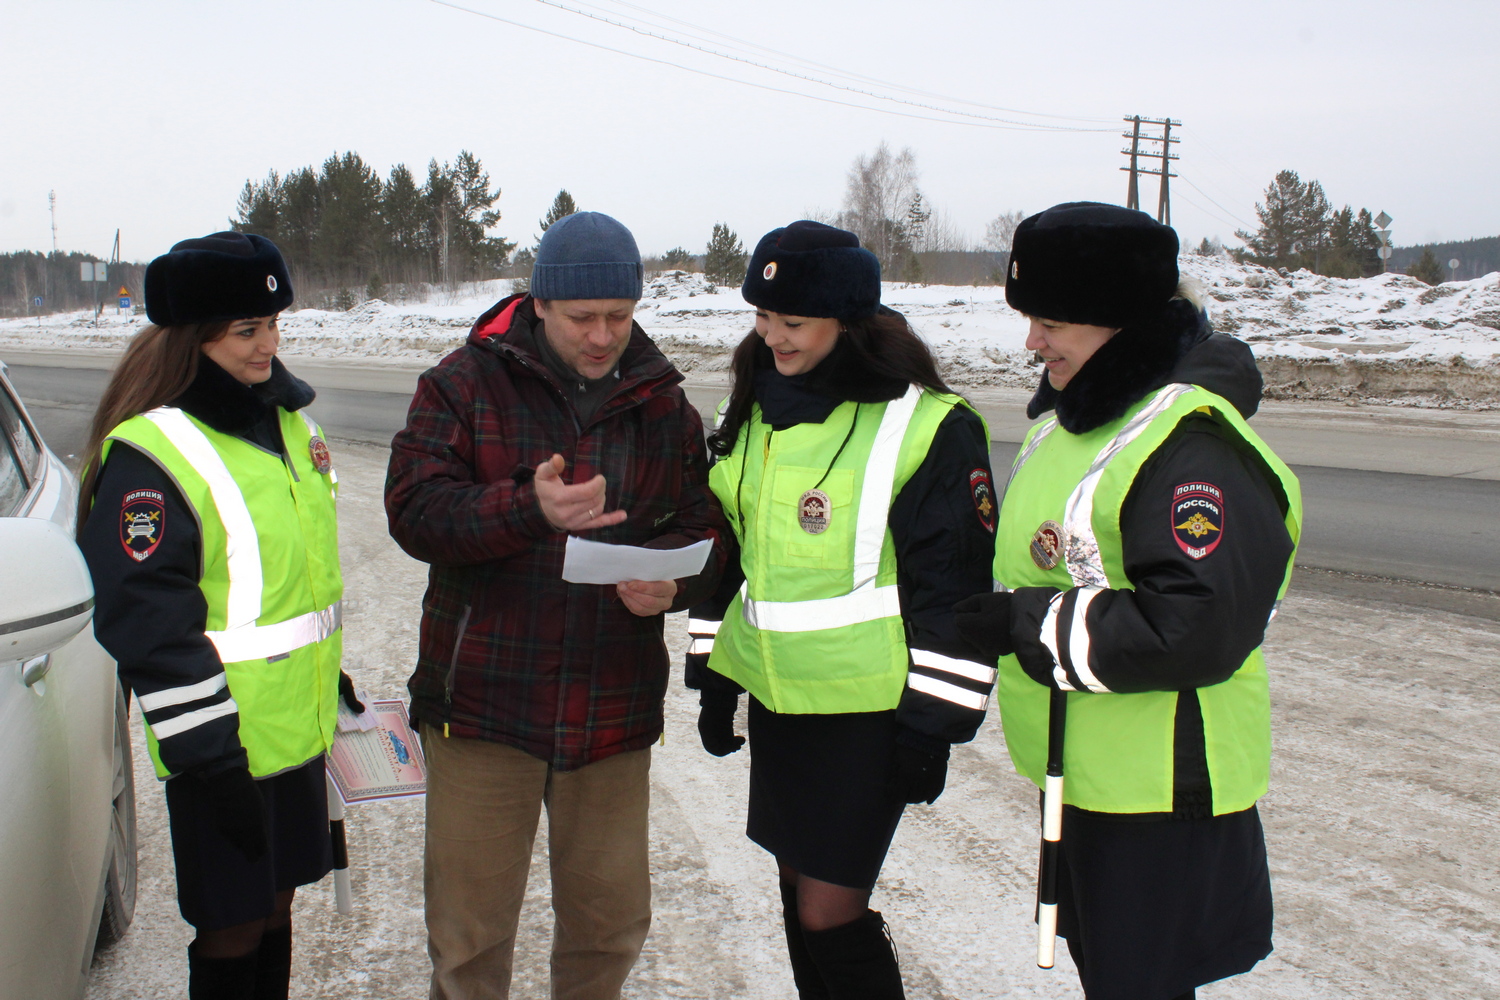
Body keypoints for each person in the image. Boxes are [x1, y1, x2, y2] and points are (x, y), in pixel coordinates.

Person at [952, 202, 1303, 1000]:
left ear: (1119, 323)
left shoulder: (1189, 442)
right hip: (1091, 778)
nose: (1032, 343)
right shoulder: (1073, 425)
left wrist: (1023, 625)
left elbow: (1194, 626)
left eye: (1050, 321)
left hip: (1162, 796)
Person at [384, 211, 727, 1000]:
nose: (604, 335)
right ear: (539, 304)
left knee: (608, 931)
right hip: (482, 709)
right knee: (468, 941)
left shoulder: (663, 407)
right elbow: (414, 512)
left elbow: (705, 526)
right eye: (583, 317)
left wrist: (675, 587)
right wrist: (526, 510)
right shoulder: (461, 385)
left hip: (610, 711)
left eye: (620, 315)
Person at [684, 221, 998, 999]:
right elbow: (741, 551)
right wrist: (714, 672)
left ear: (848, 320)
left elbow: (953, 588)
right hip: (783, 703)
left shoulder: (929, 425)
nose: (772, 337)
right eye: (762, 317)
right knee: (797, 890)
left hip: (870, 715)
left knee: (829, 909)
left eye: (793, 323)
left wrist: (935, 726)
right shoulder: (757, 406)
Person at [76, 232, 355, 1000]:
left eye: (273, 326)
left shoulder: (290, 427)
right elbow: (146, 621)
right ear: (193, 339)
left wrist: (330, 669)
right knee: (230, 925)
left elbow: (286, 583)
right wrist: (208, 755)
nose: (268, 345)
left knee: (275, 905)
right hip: (221, 745)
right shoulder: (154, 451)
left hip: (293, 729)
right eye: (246, 331)